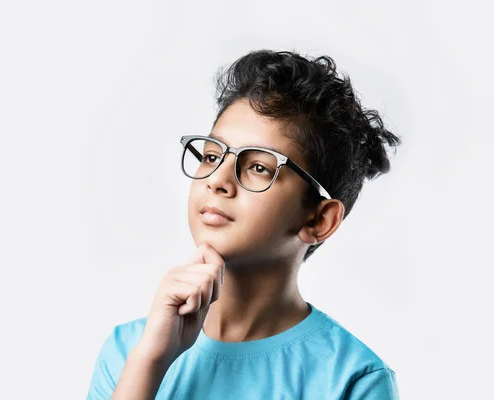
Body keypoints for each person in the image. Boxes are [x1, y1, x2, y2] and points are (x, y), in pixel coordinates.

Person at [87, 49, 401, 399]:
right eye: (211, 155)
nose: (217, 180)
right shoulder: (128, 351)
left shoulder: (351, 380)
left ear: (319, 219)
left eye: (259, 167)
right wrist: (150, 362)